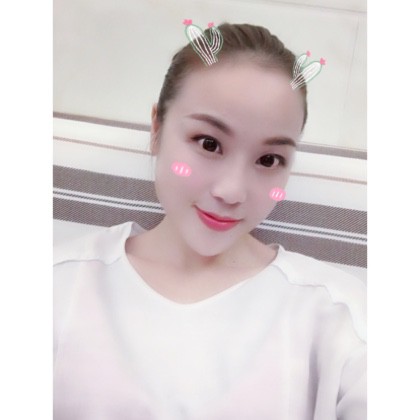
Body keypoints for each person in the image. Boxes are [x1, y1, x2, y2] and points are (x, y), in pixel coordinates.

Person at [54, 23, 366, 420]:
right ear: (156, 128)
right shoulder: (57, 285)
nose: (232, 191)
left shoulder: (339, 315)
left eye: (269, 160)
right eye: (209, 143)